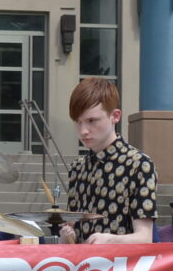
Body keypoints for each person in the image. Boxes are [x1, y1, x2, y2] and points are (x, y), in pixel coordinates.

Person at [59, 78, 156, 244]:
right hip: (84, 266)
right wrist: (67, 236)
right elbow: (74, 235)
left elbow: (145, 237)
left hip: (122, 267)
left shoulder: (138, 164)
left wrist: (110, 240)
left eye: (91, 120)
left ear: (115, 116)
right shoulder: (78, 167)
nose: (83, 131)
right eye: (78, 122)